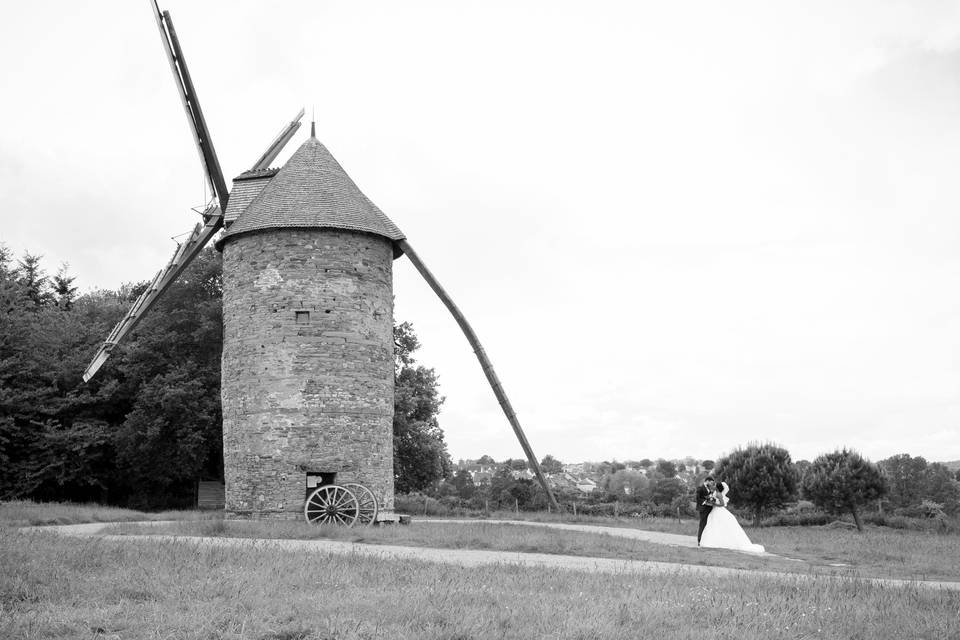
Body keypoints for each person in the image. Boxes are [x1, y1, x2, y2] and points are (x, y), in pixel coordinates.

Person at [699, 481, 765, 553]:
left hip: (719, 510)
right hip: (715, 511)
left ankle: (717, 542)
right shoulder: (715, 493)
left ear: (717, 487)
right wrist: (711, 502)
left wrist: (714, 504)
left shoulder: (719, 494)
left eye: (715, 485)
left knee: (717, 525)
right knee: (714, 525)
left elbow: (722, 504)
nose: (714, 486)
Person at [695, 476, 716, 545]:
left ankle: (706, 540)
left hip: (709, 509)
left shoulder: (709, 489)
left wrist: (712, 500)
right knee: (702, 524)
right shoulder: (700, 488)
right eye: (711, 482)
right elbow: (698, 498)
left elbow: (710, 497)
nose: (711, 484)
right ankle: (699, 540)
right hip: (703, 509)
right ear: (707, 481)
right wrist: (705, 502)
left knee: (708, 525)